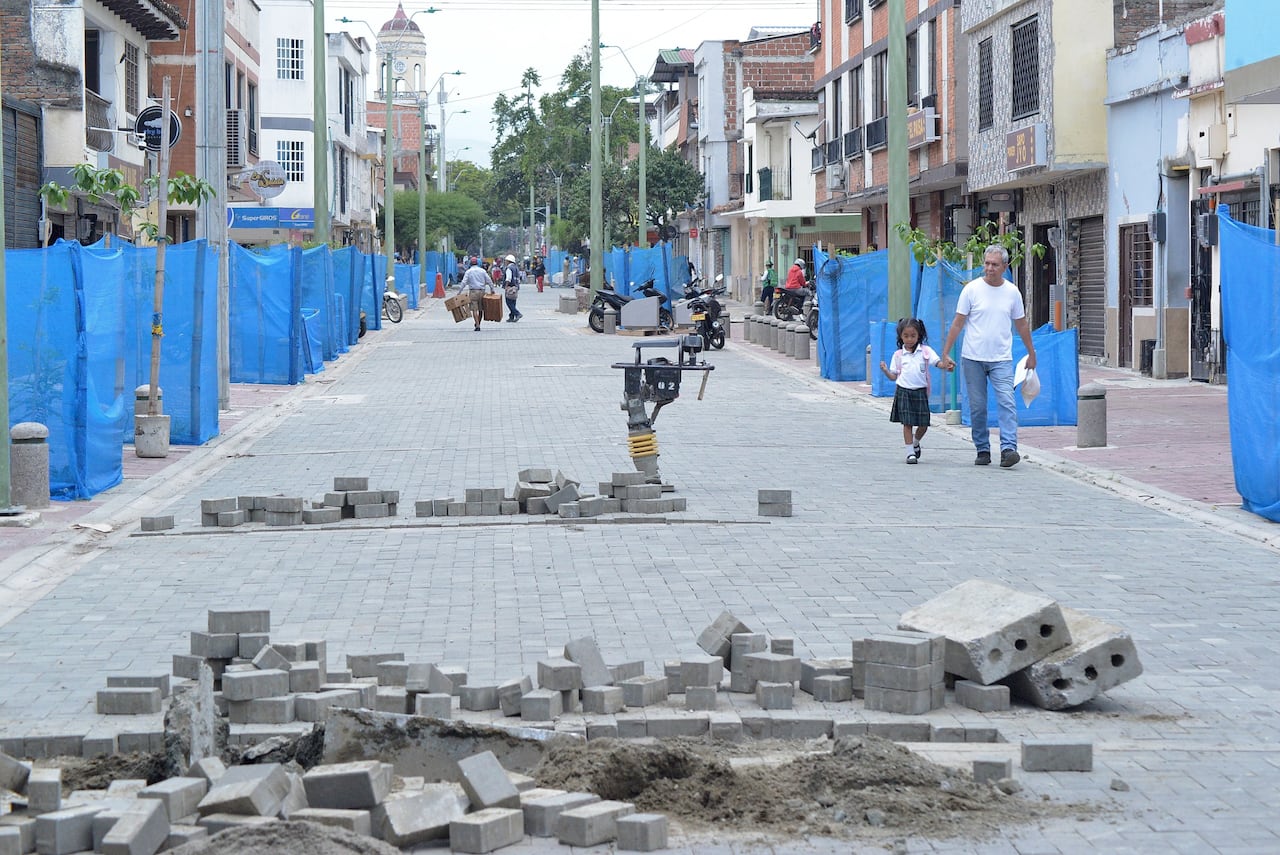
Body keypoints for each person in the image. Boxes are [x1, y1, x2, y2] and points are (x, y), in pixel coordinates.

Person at [938, 245, 1037, 468]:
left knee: (1007, 401)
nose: (989, 268)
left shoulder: (1012, 293)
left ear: (1004, 267)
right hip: (972, 358)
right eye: (987, 263)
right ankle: (982, 448)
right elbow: (958, 322)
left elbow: (1020, 323)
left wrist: (1032, 352)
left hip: (1001, 358)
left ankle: (1008, 448)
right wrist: (945, 352)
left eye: (994, 264)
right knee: (978, 406)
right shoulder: (971, 290)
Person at [880, 318, 947, 464]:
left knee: (924, 423)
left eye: (913, 336)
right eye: (906, 336)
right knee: (907, 423)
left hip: (920, 391)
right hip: (903, 391)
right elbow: (893, 376)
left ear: (919, 335)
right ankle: (910, 452)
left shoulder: (925, 352)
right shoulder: (898, 355)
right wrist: (885, 370)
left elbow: (938, 363)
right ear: (900, 336)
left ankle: (916, 442)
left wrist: (946, 365)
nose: (909, 339)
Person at [458, 256, 494, 332]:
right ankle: (478, 323)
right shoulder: (482, 271)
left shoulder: (468, 272)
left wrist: (459, 292)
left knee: (474, 309)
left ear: (470, 263)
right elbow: (489, 280)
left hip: (473, 292)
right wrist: (492, 289)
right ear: (478, 263)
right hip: (482, 292)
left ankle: (477, 324)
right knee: (481, 309)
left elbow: (464, 282)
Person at [502, 254, 523, 322]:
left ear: (508, 261)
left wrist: (506, 286)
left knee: (509, 302)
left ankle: (517, 314)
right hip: (515, 287)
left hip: (510, 287)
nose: (505, 262)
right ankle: (511, 317)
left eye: (506, 261)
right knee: (513, 302)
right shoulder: (516, 268)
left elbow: (508, 278)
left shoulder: (509, 268)